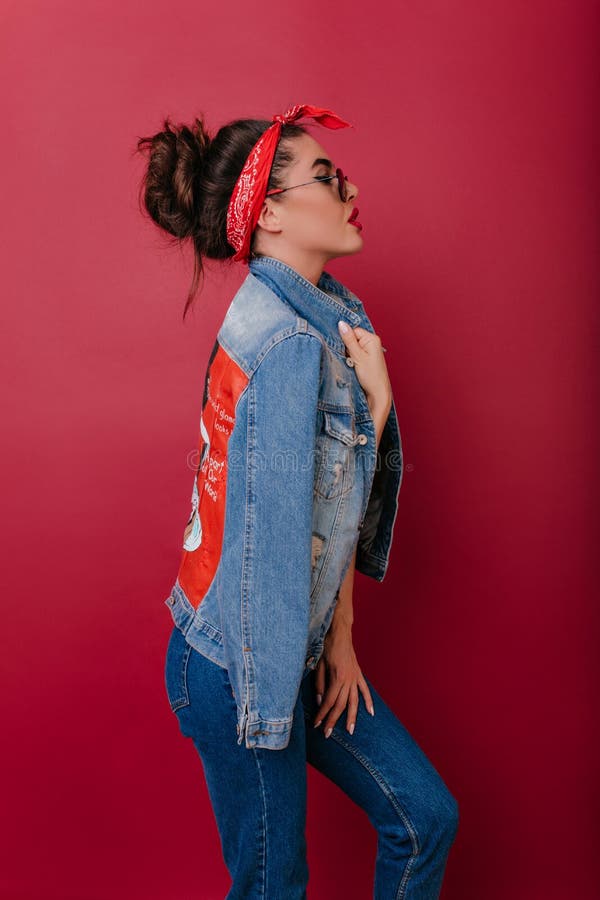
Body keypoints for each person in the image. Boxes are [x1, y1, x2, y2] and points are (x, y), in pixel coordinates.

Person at [137, 103, 459, 899]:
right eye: (327, 177)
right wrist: (375, 411)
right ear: (271, 213)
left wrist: (340, 637)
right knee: (275, 886)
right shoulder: (284, 344)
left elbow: (310, 529)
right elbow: (277, 551)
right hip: (245, 659)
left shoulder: (319, 311)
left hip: (285, 637)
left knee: (423, 818)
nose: (350, 188)